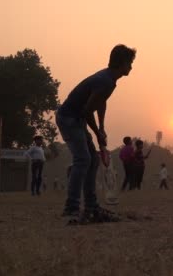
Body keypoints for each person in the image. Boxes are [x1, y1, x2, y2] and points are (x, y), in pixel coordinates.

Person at [56, 44, 135, 224]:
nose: (131, 67)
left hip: (77, 118)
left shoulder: (109, 80)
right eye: (129, 63)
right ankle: (72, 208)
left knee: (93, 158)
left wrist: (101, 127)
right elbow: (86, 111)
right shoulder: (105, 80)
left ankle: (91, 206)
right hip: (69, 118)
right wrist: (97, 133)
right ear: (121, 63)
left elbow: (100, 103)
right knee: (83, 159)